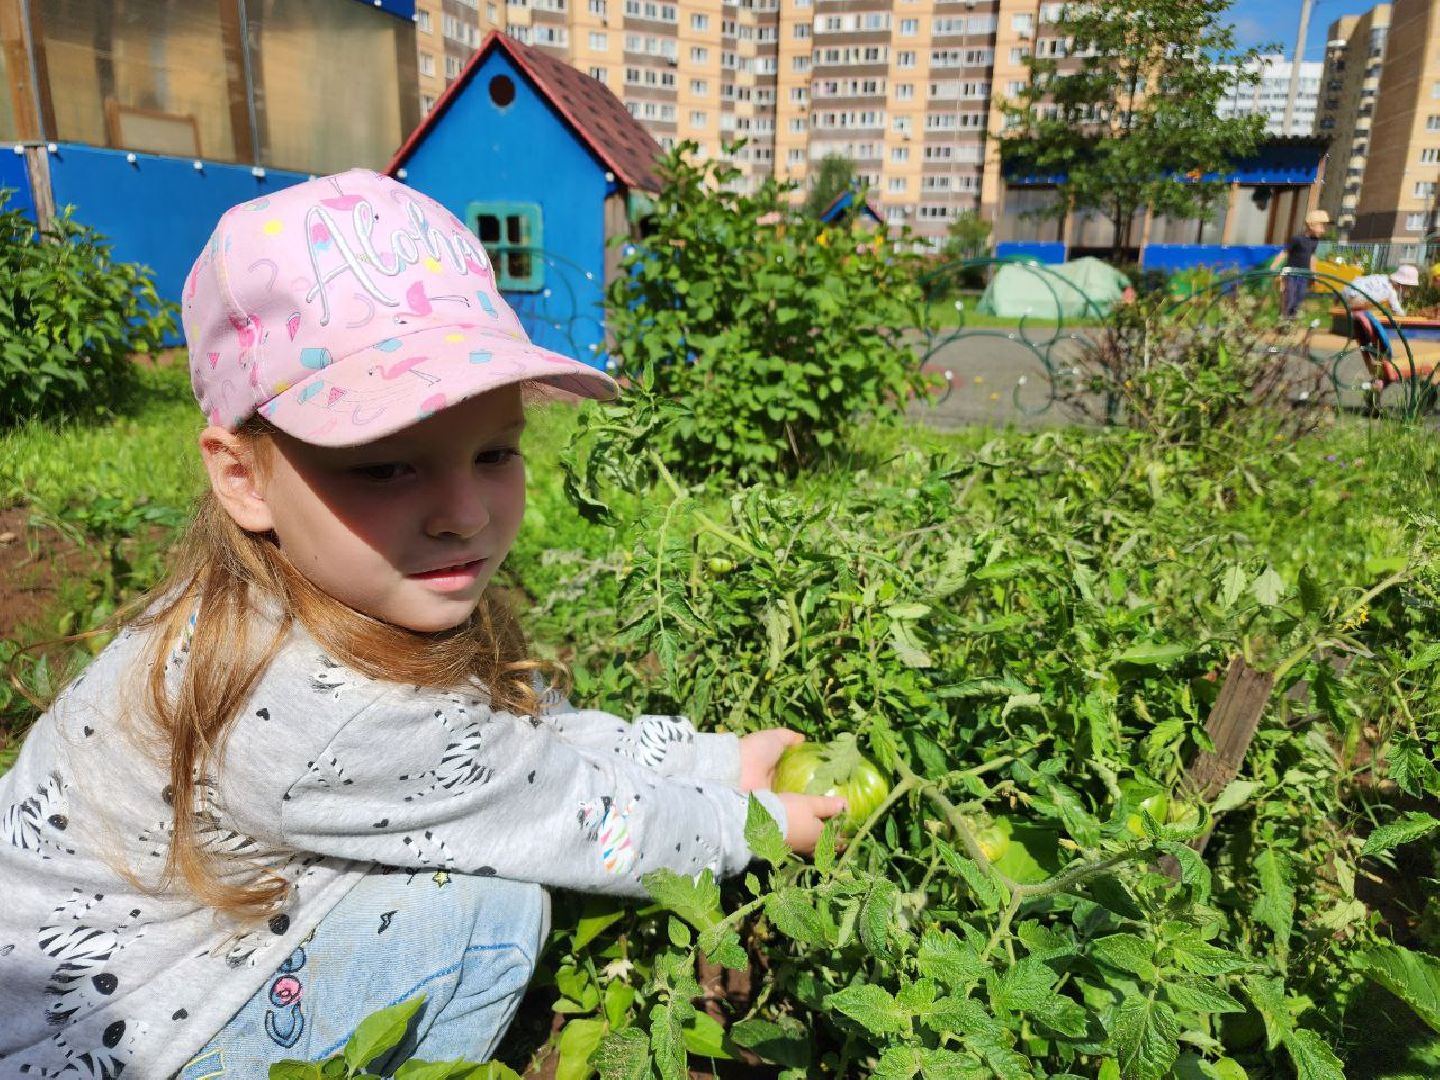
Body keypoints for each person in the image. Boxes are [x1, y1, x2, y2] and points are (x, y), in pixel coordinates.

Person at [0, 170, 847, 1077]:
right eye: (386, 468)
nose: (466, 513)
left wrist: (708, 759)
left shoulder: (298, 591)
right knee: (486, 910)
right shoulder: (324, 703)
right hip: (99, 1045)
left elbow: (513, 743)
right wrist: (756, 823)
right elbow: (563, 813)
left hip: (109, 973)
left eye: (495, 453)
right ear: (243, 476)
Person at [1273, 208, 1330, 319]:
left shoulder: (1315, 241)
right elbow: (1284, 253)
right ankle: (1284, 320)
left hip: (1304, 274)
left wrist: (1314, 274)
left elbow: (1312, 257)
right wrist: (1273, 267)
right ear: (1311, 225)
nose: (1323, 230)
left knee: (1299, 298)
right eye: (1321, 226)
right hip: (1291, 274)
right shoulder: (1297, 239)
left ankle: (1291, 321)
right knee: (1290, 296)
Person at [1344, 263, 1420, 317]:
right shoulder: (1390, 289)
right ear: (1401, 284)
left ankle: (1355, 309)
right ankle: (1359, 312)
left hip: (1347, 291)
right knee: (1384, 299)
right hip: (1356, 296)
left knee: (1378, 299)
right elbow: (1397, 310)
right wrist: (1405, 315)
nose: (1407, 289)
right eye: (1407, 287)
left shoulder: (1383, 278)